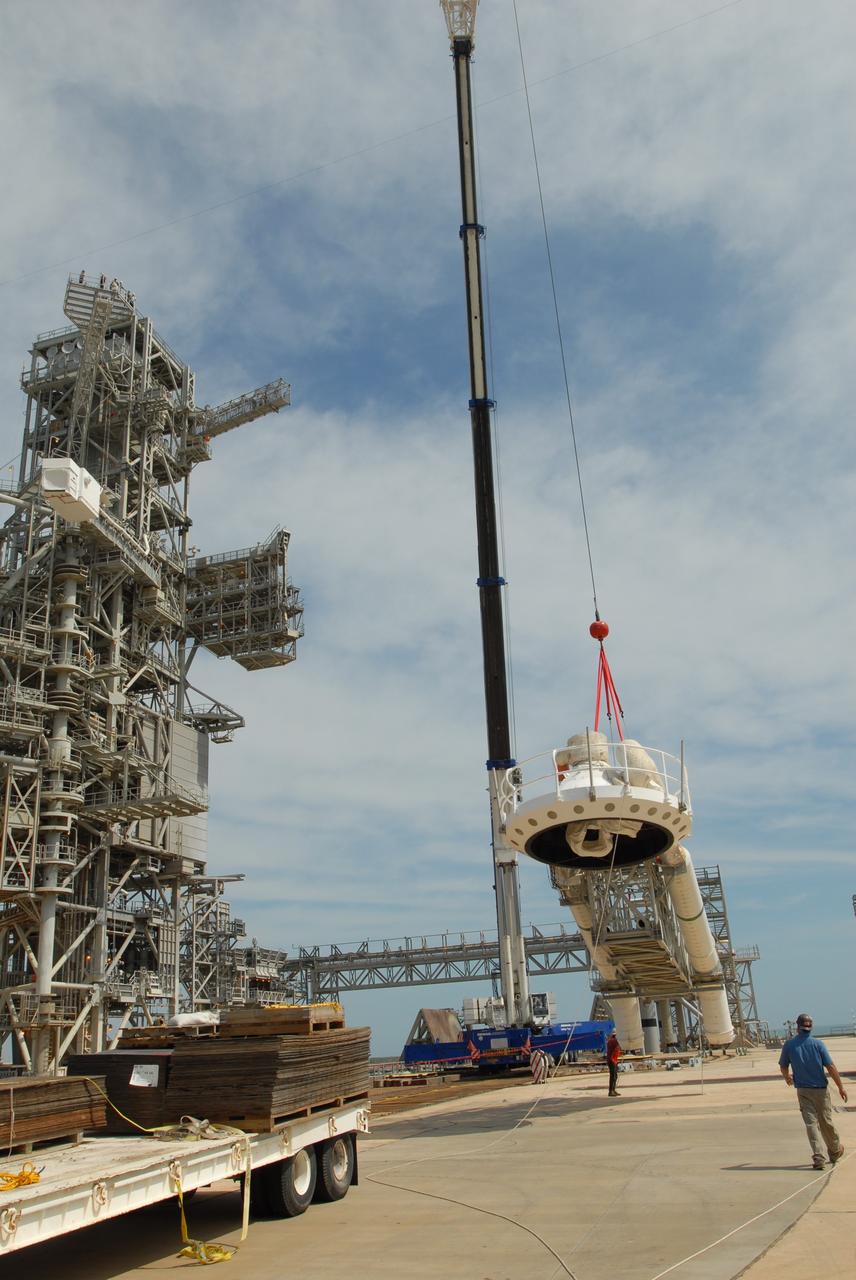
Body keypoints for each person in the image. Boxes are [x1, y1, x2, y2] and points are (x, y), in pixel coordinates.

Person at [779, 1013, 847, 1169]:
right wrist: (840, 1087)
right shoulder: (818, 1044)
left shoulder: (789, 1045)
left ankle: (818, 1157)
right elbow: (830, 1067)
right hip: (821, 1091)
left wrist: (787, 1078)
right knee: (825, 1122)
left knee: (811, 1124)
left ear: (797, 1027)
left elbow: (783, 1066)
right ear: (810, 1027)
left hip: (803, 1091)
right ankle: (835, 1150)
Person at [606, 1031, 621, 1096]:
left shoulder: (611, 1041)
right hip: (612, 1060)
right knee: (613, 1076)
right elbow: (620, 1044)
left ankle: (613, 1090)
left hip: (613, 1060)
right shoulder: (613, 1041)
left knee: (615, 1076)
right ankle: (611, 1091)